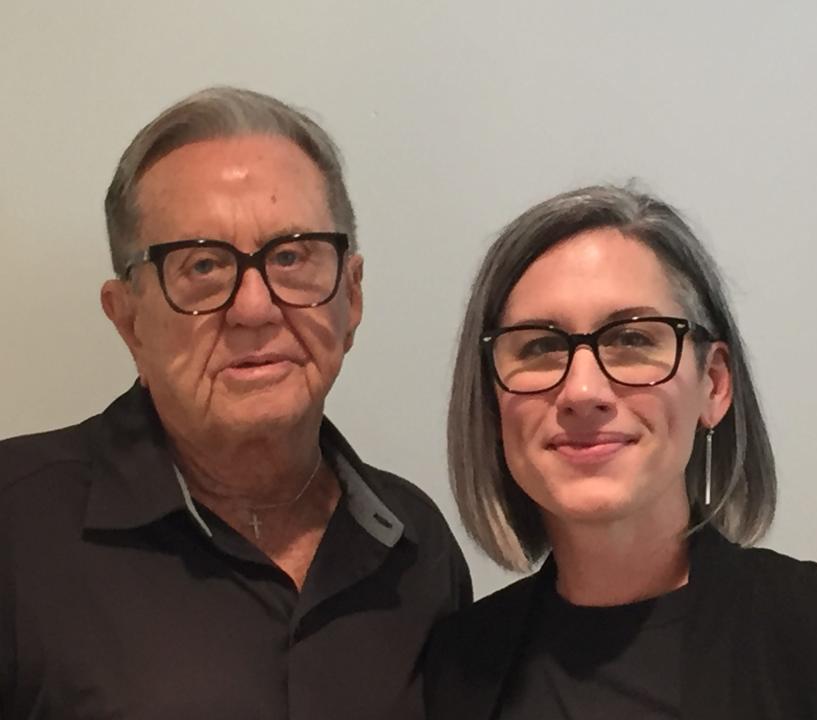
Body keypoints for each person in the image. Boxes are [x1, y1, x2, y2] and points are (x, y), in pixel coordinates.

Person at [0, 87, 470, 720]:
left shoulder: (416, 548)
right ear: (129, 320)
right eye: (201, 266)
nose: (254, 307)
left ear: (350, 298)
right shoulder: (16, 529)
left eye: (291, 256)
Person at [425, 185, 817, 719]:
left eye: (632, 339)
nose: (583, 392)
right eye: (540, 346)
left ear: (715, 384)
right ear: (493, 400)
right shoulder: (454, 669)